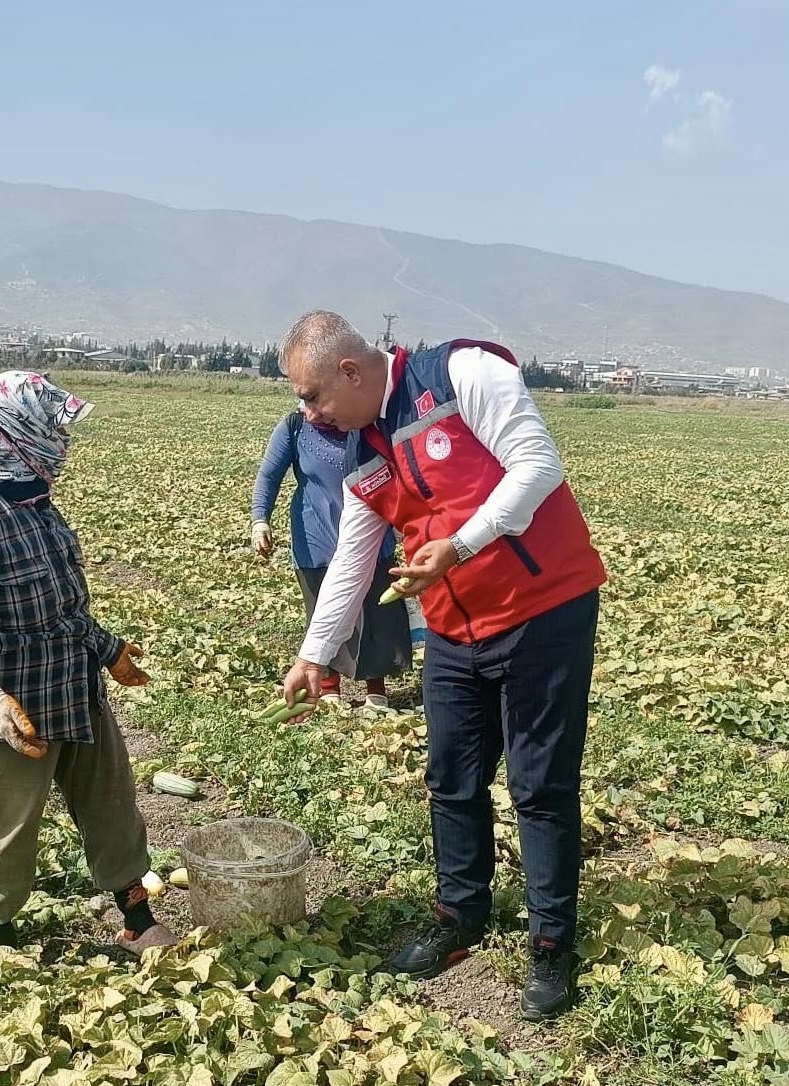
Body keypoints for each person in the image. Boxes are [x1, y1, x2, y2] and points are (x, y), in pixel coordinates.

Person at [277, 312, 606, 1020]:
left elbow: (538, 465)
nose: (307, 412)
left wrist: (460, 543)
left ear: (350, 372)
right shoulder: (361, 449)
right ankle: (460, 917)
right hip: (455, 628)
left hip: (542, 610)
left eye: (312, 396)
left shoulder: (461, 375)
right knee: (450, 780)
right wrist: (313, 653)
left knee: (538, 785)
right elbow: (353, 560)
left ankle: (551, 944)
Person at [0, 370, 178, 955]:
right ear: (15, 435)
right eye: (52, 433)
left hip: (72, 688)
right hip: (9, 710)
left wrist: (107, 651)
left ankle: (137, 920)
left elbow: (61, 606)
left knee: (112, 804)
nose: (62, 447)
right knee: (5, 824)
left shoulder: (36, 504)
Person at [251, 402, 411, 706]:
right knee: (321, 611)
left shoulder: (363, 425)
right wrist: (260, 520)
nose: (310, 412)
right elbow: (269, 476)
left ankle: (375, 691)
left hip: (371, 538)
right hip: (315, 539)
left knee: (376, 614)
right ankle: (327, 688)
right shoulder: (295, 427)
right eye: (305, 403)